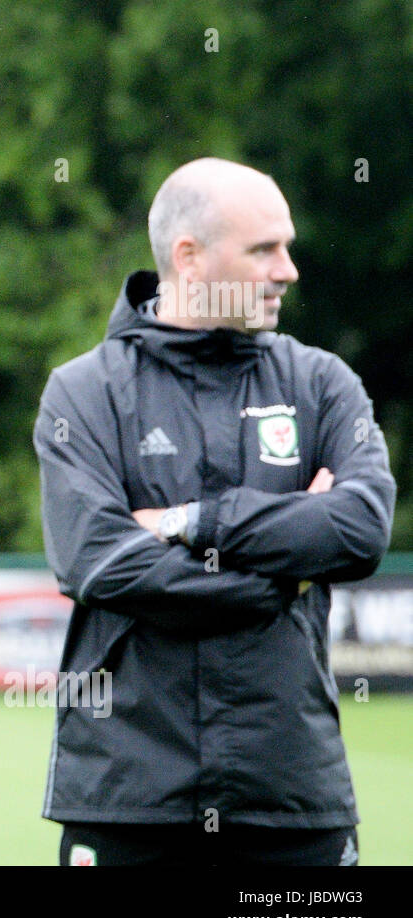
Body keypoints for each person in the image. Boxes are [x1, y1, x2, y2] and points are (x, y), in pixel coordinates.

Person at [33, 157, 396, 866]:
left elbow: (359, 527)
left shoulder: (322, 383)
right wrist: (281, 575)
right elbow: (99, 559)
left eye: (285, 247)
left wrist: (191, 522)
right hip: (127, 798)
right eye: (264, 249)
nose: (287, 269)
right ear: (189, 258)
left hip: (291, 800)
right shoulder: (82, 393)